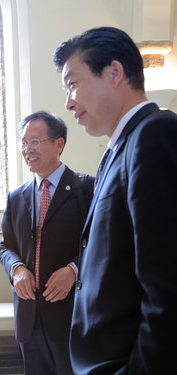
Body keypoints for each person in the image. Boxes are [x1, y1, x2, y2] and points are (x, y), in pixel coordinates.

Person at [53, 26, 177, 374]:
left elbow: (167, 287)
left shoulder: (155, 135)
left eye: (73, 83)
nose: (68, 102)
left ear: (114, 72)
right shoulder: (118, 149)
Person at [0, 110, 94, 375]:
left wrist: (74, 270)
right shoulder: (16, 197)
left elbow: (101, 244)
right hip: (29, 315)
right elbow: (6, 246)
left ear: (58, 144)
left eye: (35, 141)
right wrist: (16, 269)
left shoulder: (85, 189)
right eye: (23, 143)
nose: (27, 149)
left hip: (73, 313)